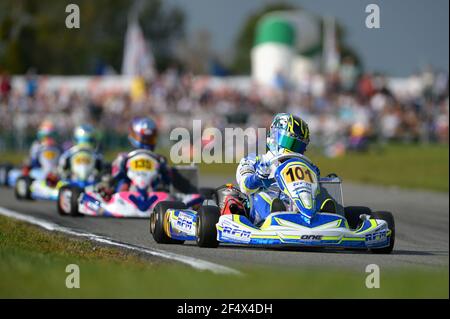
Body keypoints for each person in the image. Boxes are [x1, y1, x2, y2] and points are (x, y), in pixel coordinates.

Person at [236, 113, 334, 225]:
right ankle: (276, 214)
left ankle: (324, 217)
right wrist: (257, 178)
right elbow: (245, 187)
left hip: (297, 206)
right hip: (266, 211)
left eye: (298, 146)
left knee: (318, 195)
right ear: (273, 137)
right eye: (289, 143)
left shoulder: (304, 166)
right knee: (262, 196)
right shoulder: (255, 160)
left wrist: (314, 175)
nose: (292, 150)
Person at [99, 117, 170, 199]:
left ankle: (159, 197)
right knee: (123, 180)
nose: (146, 142)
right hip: (127, 193)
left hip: (152, 194)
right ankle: (116, 194)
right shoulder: (124, 158)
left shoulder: (159, 160)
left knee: (160, 181)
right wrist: (109, 182)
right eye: (143, 139)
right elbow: (114, 175)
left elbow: (168, 178)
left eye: (149, 139)